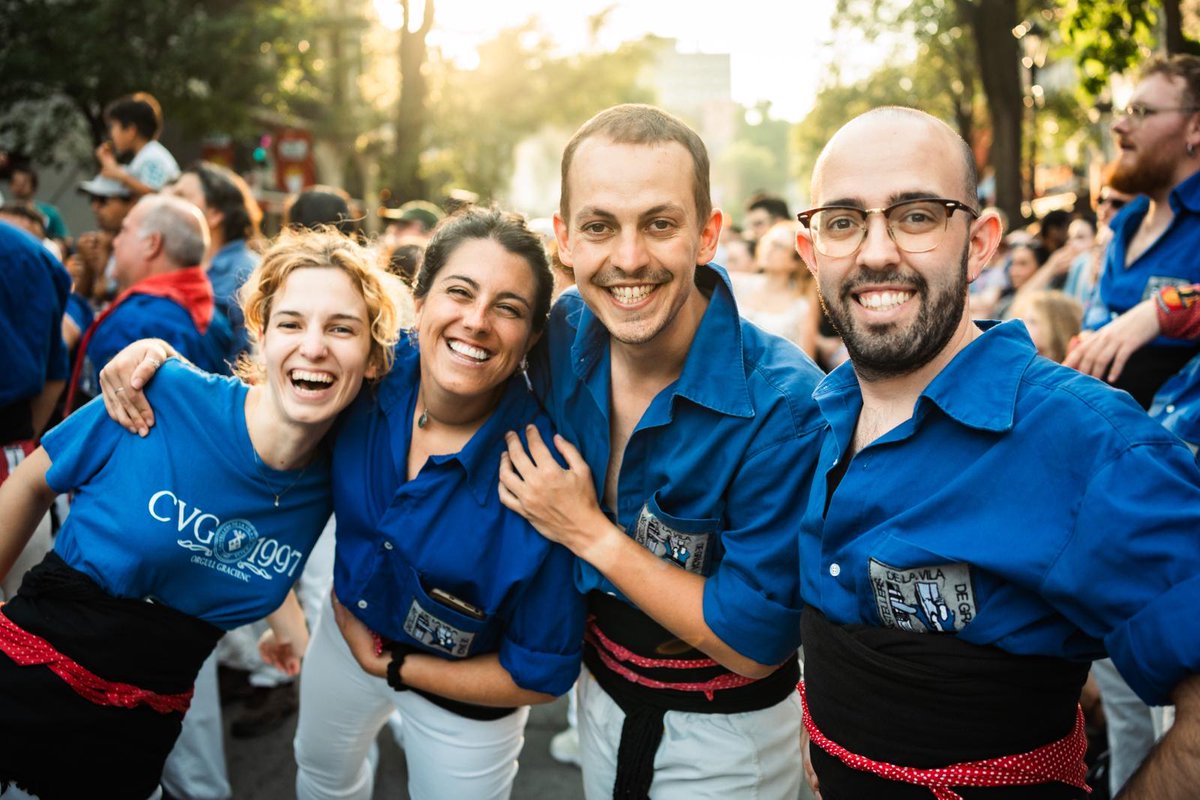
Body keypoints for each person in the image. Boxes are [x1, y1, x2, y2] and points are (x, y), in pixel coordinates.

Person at [99, 206, 585, 800]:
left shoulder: (544, 478)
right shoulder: (370, 377)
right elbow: (274, 399)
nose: (477, 320)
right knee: (323, 775)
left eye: (508, 308)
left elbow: (542, 673)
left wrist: (395, 668)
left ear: (532, 335)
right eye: (459, 292)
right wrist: (159, 362)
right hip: (346, 634)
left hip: (467, 695)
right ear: (422, 300)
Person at [792, 105, 1200, 799]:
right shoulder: (809, 421)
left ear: (979, 243)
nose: (877, 250)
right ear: (813, 252)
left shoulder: (1085, 441)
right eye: (843, 220)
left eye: (916, 215)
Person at [0, 228, 398, 798]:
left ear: (373, 354)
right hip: (21, 691)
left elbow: (233, 536)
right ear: (260, 333)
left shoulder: (340, 475)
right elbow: (35, 479)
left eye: (342, 328)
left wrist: (288, 629)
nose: (314, 346)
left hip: (135, 745)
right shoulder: (159, 394)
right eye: (291, 323)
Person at [498, 104, 825, 800]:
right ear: (564, 239)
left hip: (727, 737)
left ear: (708, 234)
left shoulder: (786, 405)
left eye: (659, 223)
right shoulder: (559, 331)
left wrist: (585, 530)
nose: (628, 258)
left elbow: (754, 643)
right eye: (598, 226)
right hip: (596, 696)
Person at [1067, 55, 1200, 408]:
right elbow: (1095, 317)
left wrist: (1162, 311)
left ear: (1195, 127)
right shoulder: (1124, 224)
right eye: (1125, 111)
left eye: (1141, 112)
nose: (1120, 126)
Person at [63, 195, 234, 413]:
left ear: (152, 244)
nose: (114, 241)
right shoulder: (210, 314)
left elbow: (102, 421)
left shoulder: (135, 321)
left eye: (124, 231)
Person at [168, 161, 263, 354]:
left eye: (181, 197)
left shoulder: (246, 272)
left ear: (215, 215)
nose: (168, 204)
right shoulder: (175, 266)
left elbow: (249, 357)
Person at [95, 92, 180, 198]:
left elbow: (155, 193)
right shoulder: (146, 154)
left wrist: (120, 176)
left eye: (113, 127)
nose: (111, 134)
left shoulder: (153, 156)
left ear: (131, 131)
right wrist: (111, 166)